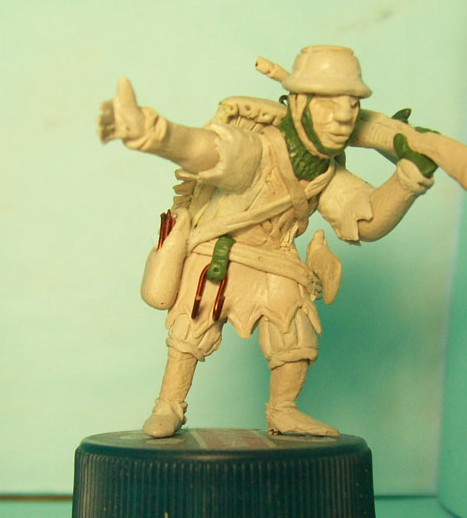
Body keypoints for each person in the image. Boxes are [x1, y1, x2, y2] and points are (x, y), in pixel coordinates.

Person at [98, 46, 433, 438]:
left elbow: (367, 219)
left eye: (352, 104)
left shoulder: (325, 172)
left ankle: (283, 409)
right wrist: (155, 133)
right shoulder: (257, 149)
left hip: (277, 260)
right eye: (328, 104)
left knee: (294, 335)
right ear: (298, 104)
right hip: (221, 252)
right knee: (190, 329)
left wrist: (407, 181)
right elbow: (205, 150)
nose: (343, 117)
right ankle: (168, 404)